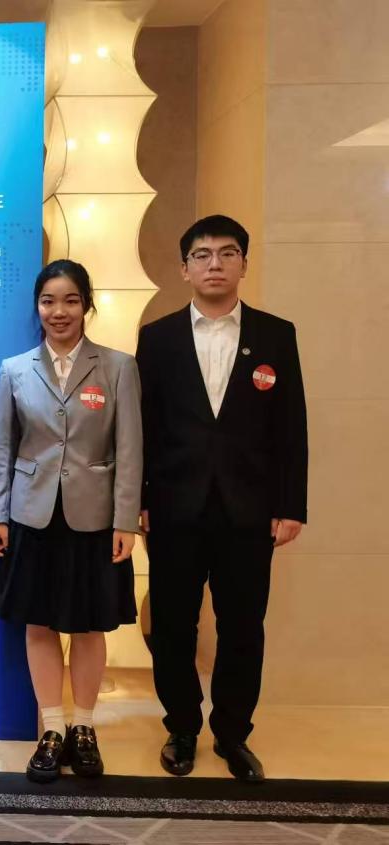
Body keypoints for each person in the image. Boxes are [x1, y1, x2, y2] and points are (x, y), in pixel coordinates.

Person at [137, 215, 307, 784]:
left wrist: (291, 505)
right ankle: (182, 727)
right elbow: (144, 427)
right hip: (173, 507)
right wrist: (139, 499)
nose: (215, 264)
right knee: (173, 625)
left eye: (227, 253)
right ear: (185, 268)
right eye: (202, 255)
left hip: (249, 510)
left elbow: (291, 427)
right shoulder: (157, 338)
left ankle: (233, 733)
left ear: (243, 264)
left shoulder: (276, 334)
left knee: (243, 626)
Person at [0, 259, 142, 783]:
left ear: (86, 305)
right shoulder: (14, 369)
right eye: (49, 301)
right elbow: (3, 447)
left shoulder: (118, 366)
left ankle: (84, 728)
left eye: (71, 300)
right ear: (37, 307)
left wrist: (126, 521)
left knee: (90, 624)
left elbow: (130, 449)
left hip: (95, 517)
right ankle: (52, 729)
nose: (59, 311)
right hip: (31, 514)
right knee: (39, 621)